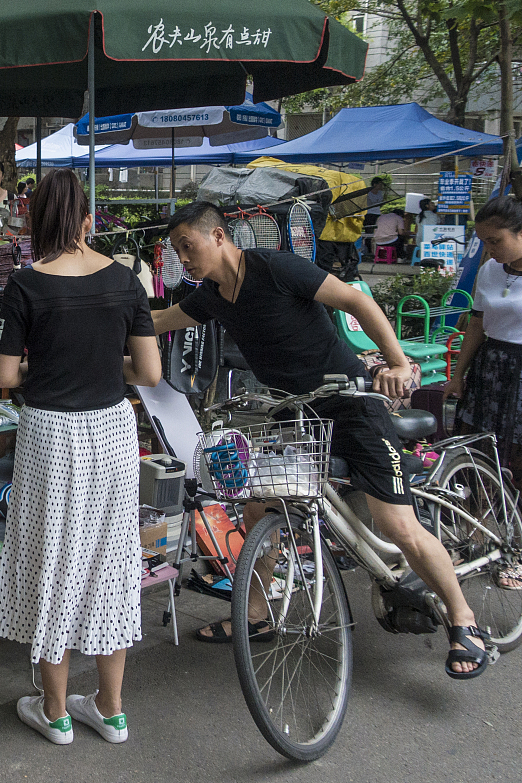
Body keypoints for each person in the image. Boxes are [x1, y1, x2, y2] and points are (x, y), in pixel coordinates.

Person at [155, 201, 491, 678]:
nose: (183, 259)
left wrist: (397, 363)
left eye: (187, 246)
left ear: (218, 236)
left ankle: (463, 619)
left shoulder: (276, 268)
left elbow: (357, 302)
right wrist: (101, 320)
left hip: (349, 404)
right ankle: (256, 617)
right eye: (177, 251)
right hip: (293, 414)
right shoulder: (211, 295)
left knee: (397, 525)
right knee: (260, 510)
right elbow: (160, 321)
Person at [0, 169, 162, 745]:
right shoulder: (126, 280)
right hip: (112, 431)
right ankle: (111, 710)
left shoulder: (24, 285)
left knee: (51, 558)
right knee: (110, 560)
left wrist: (48, 365)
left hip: (49, 434)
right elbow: (150, 372)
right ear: (88, 219)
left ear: (37, 221)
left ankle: (56, 711)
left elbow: (5, 375)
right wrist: (103, 363)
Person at [445, 194, 522, 491]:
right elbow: (476, 324)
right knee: (483, 446)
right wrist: (458, 376)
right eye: (485, 242)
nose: (490, 249)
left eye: (495, 241)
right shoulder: (489, 270)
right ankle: (485, 509)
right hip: (490, 366)